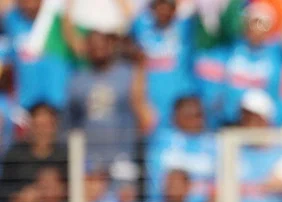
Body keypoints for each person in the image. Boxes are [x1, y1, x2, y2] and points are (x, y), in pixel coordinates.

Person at [66, 30, 150, 167]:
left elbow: (142, 114)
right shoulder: (78, 81)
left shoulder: (129, 75)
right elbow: (72, 121)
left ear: (110, 45)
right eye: (93, 45)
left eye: (101, 44)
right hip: (90, 158)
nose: (97, 49)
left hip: (123, 155)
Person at [129, 0, 198, 131]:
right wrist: (139, 103)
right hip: (151, 108)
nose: (164, 10)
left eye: (169, 6)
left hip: (180, 108)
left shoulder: (186, 27)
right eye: (160, 5)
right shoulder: (140, 27)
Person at [0, 103, 67, 202]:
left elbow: (73, 189)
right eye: (38, 126)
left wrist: (50, 194)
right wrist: (21, 198)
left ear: (54, 126)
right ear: (30, 126)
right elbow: (5, 191)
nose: (42, 131)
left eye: (46, 125)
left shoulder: (64, 155)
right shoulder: (15, 154)